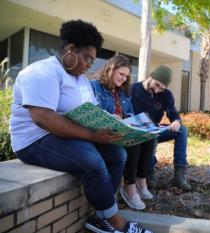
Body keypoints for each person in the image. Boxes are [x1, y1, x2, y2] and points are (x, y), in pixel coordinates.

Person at [9, 20, 152, 233]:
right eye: (87, 58)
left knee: (117, 154)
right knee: (92, 160)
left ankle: (102, 213)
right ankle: (113, 221)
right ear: (70, 50)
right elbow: (43, 118)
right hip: (34, 140)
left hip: (64, 136)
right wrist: (92, 137)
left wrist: (111, 122)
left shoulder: (81, 81)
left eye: (93, 60)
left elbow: (90, 111)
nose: (89, 65)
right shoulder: (42, 72)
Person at [90, 55, 155, 210]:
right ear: (111, 69)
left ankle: (141, 180)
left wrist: (132, 121)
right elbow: (90, 112)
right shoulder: (93, 87)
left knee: (148, 137)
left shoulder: (124, 93)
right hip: (102, 135)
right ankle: (129, 187)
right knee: (133, 142)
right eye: (121, 74)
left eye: (126, 76)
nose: (124, 79)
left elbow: (131, 113)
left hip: (120, 131)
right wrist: (109, 116)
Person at [131, 65, 191, 191]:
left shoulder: (166, 95)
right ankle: (148, 174)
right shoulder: (133, 90)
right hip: (138, 133)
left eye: (162, 88)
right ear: (151, 77)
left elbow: (173, 113)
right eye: (157, 85)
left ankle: (179, 174)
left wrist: (176, 121)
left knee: (182, 130)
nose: (157, 90)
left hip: (156, 130)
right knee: (151, 136)